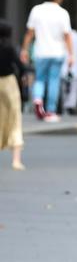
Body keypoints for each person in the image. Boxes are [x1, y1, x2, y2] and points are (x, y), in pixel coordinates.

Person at [20, 0, 74, 122]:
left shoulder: (36, 10)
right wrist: (71, 54)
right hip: (57, 52)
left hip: (40, 51)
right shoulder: (63, 13)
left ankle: (38, 99)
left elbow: (30, 33)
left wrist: (24, 49)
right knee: (54, 81)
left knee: (39, 79)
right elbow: (67, 35)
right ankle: (50, 111)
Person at [0, 20, 26, 170]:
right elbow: (20, 66)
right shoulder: (9, 48)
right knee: (15, 118)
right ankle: (16, 160)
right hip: (9, 83)